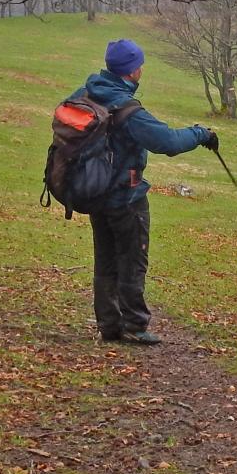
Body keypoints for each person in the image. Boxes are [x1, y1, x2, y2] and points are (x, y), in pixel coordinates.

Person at [73, 38, 217, 345]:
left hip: (96, 193)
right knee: (132, 261)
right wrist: (201, 133)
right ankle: (135, 326)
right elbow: (167, 142)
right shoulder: (126, 110)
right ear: (132, 71)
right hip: (126, 197)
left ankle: (110, 326)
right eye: (139, 64)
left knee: (106, 260)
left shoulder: (86, 93)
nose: (141, 69)